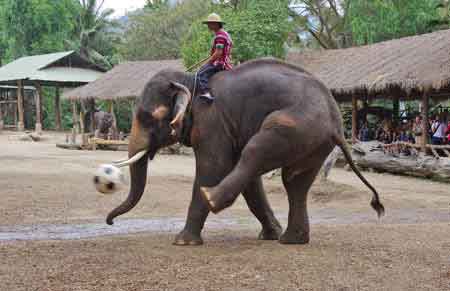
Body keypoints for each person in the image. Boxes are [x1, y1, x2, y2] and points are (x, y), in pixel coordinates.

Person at [197, 13, 233, 100]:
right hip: (226, 61)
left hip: (220, 63)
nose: (208, 25)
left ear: (216, 24)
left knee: (200, 74)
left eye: (210, 23)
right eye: (208, 23)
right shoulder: (224, 33)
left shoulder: (220, 36)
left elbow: (218, 53)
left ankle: (207, 93)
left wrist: (207, 62)